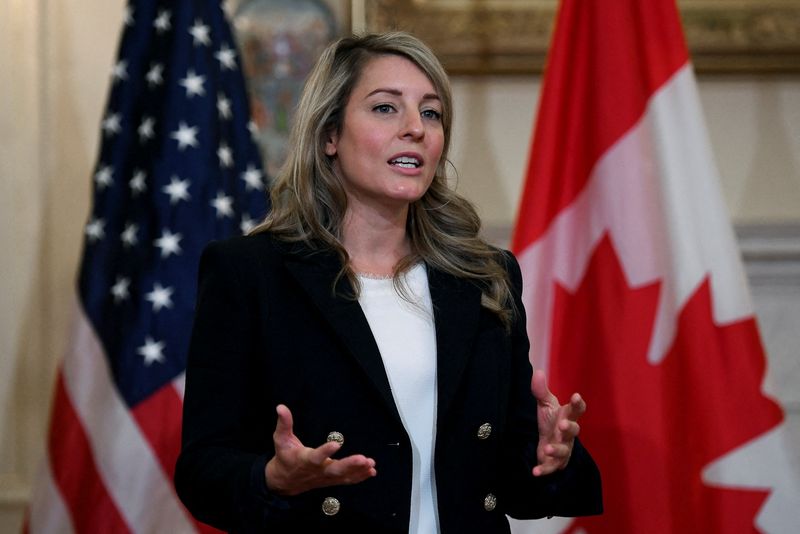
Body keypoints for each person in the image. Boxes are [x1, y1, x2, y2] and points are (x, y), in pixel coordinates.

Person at [175, 31, 602, 533]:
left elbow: (507, 480)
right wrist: (272, 478)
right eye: (384, 108)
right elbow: (202, 470)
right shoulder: (251, 273)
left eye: (431, 112)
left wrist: (550, 458)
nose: (415, 129)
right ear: (329, 134)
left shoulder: (484, 276)